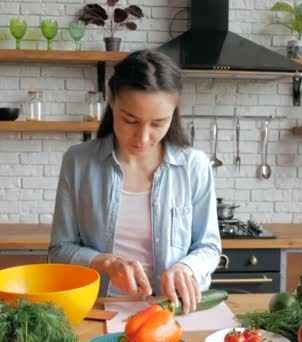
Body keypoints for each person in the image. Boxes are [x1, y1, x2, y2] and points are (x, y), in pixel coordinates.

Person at [49, 49, 221, 314]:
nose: (142, 138)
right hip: (102, 309)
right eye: (130, 120)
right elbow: (59, 251)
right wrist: (106, 263)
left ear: (174, 111)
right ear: (111, 100)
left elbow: (209, 247)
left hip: (176, 311)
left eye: (158, 123)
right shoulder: (78, 162)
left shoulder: (194, 166)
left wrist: (185, 267)